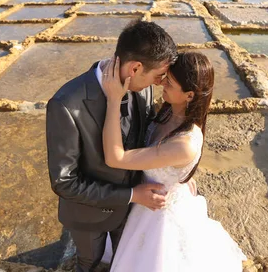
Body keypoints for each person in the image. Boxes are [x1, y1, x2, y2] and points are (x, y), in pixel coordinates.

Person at [46, 21, 184, 272]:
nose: (158, 83)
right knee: (90, 261)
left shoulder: (142, 89)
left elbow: (146, 138)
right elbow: (64, 182)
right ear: (135, 67)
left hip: (134, 211)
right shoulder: (66, 104)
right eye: (157, 76)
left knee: (126, 258)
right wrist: (132, 195)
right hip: (88, 216)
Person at [101, 52, 247, 272]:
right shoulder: (169, 110)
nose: (161, 83)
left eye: (169, 82)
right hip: (149, 197)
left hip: (158, 214)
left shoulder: (184, 143)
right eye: (165, 77)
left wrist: (113, 100)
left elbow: (116, 158)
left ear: (189, 95)